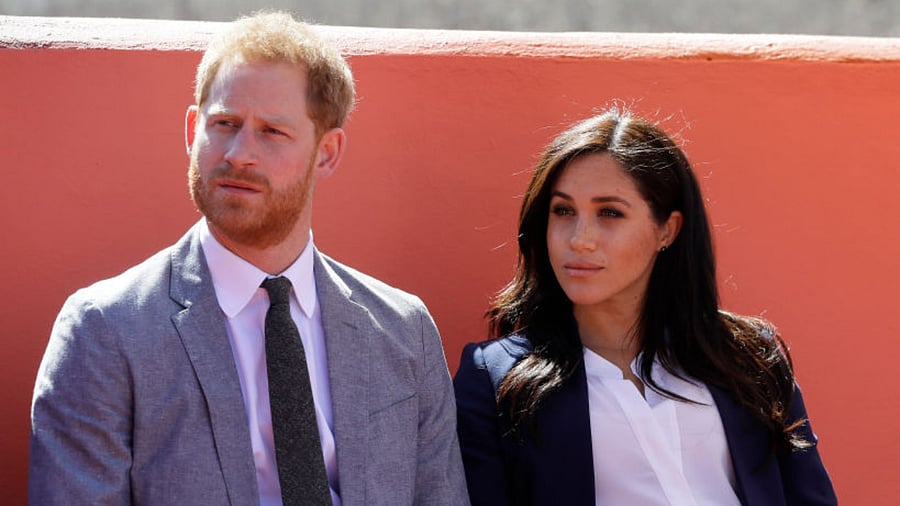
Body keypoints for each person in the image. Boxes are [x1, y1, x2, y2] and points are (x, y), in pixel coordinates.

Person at [29, 11, 468, 506]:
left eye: (272, 132)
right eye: (225, 124)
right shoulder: (105, 332)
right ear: (193, 129)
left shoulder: (403, 330)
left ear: (327, 152)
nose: (239, 153)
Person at [453, 106, 837, 505]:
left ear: (666, 230)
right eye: (563, 210)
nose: (580, 239)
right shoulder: (495, 380)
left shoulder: (748, 357)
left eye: (610, 213)